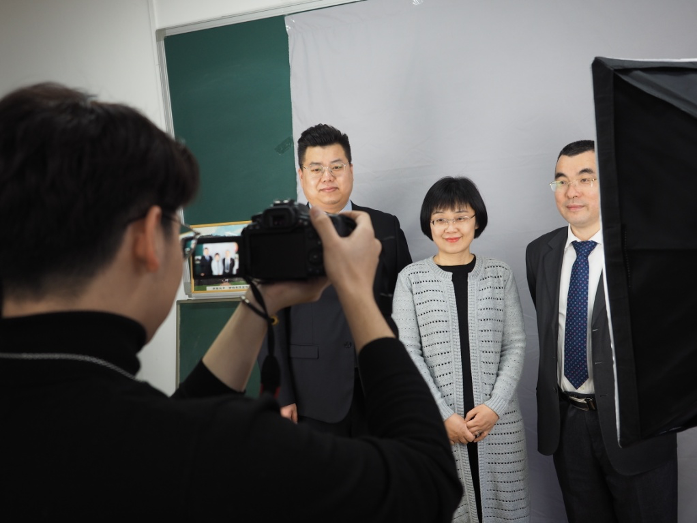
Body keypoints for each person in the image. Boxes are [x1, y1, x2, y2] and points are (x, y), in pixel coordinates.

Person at [0, 83, 464, 522]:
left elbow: (181, 414)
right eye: (177, 228)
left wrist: (260, 301)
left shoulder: (89, 422)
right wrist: (356, 292)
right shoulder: (202, 445)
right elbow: (426, 483)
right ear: (146, 239)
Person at [525, 140, 678, 523]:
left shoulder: (647, 250)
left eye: (585, 178)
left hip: (635, 427)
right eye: (561, 181)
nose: (571, 191)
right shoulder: (539, 252)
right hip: (568, 425)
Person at [257, 123, 412, 437]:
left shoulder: (385, 226)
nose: (327, 177)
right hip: (311, 394)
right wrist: (279, 395)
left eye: (336, 167)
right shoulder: (279, 236)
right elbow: (267, 322)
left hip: (382, 390)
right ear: (301, 175)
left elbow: (408, 309)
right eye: (316, 169)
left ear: (351, 170)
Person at [392, 177, 530, 523]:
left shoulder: (499, 274)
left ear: (476, 220)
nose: (450, 227)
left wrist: (495, 407)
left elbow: (515, 344)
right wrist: (443, 415)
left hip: (499, 423)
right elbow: (406, 352)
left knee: (506, 510)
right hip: (436, 425)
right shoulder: (411, 279)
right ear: (429, 224)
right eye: (440, 219)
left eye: (460, 217)